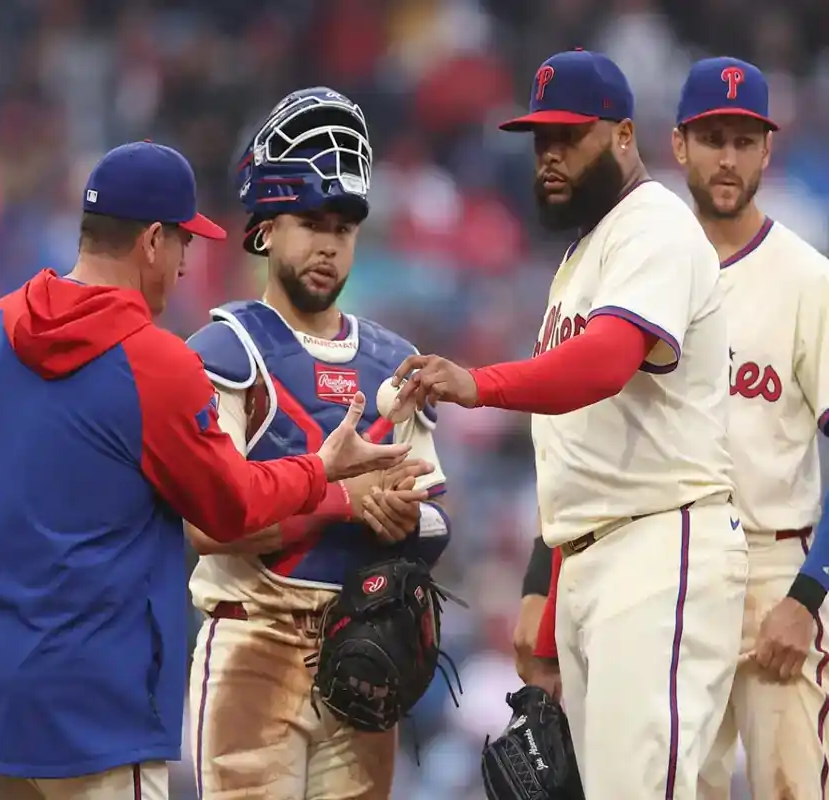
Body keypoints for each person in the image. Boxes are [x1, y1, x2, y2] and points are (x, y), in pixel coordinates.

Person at [0, 140, 411, 800]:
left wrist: (2, 619)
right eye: (183, 242)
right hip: (92, 714)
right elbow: (231, 506)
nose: (183, 265)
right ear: (152, 240)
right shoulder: (154, 361)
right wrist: (325, 474)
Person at [391, 50, 748, 800]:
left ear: (624, 135)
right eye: (540, 140)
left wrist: (478, 384)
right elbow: (580, 451)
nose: (550, 155)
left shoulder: (654, 225)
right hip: (594, 555)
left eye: (570, 137)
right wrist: (542, 591)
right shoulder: (585, 254)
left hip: (660, 546)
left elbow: (604, 364)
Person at [183, 87, 450, 799]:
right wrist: (347, 502)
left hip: (363, 647)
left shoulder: (396, 362)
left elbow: (436, 518)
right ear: (266, 229)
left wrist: (405, 517)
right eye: (310, 222)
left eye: (344, 227)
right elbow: (208, 522)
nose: (329, 245)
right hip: (254, 641)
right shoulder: (225, 350)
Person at [668, 57, 829, 800]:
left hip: (774, 565)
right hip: (673, 564)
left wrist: (808, 594)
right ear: (679, 145)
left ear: (768, 149)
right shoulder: (649, 270)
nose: (727, 158)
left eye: (743, 140)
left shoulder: (807, 278)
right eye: (712, 138)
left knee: (792, 789)